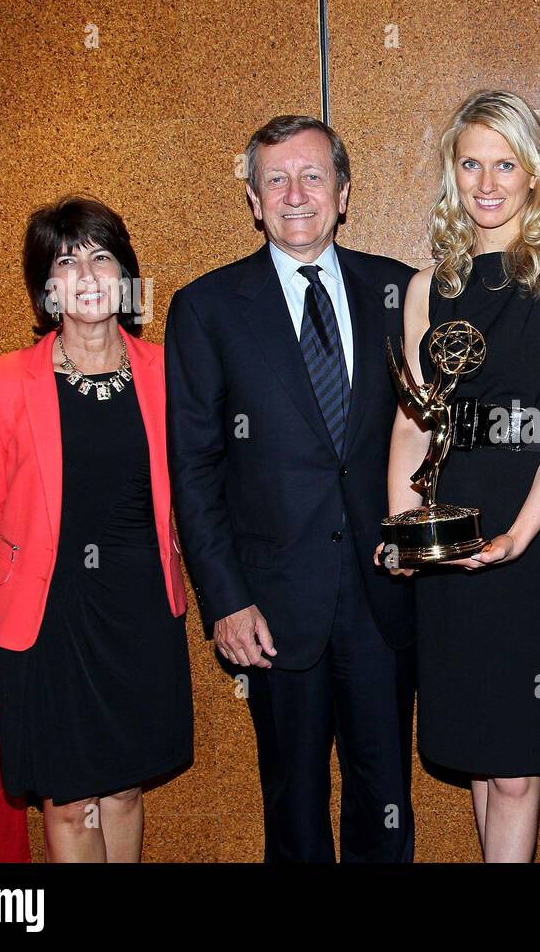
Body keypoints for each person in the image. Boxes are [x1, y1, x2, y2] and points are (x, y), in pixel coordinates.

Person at [166, 116, 416, 863]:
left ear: (344, 192)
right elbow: (194, 467)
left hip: (383, 595)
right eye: (275, 179)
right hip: (271, 606)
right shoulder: (206, 308)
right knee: (293, 798)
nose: (295, 194)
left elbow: (432, 437)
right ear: (251, 198)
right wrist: (226, 600)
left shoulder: (401, 291)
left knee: (387, 797)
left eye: (313, 176)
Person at [380, 89, 540, 862]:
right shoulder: (425, 288)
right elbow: (412, 421)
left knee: (513, 769)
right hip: (448, 524)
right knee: (478, 753)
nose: (486, 181)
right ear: (451, 173)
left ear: (534, 171)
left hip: (530, 524)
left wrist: (517, 535)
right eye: (471, 162)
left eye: (504, 163)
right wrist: (403, 534)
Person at [0, 196, 191, 862]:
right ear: (45, 288)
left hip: (140, 608)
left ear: (126, 275)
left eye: (101, 257)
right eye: (65, 261)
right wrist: (15, 589)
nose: (86, 276)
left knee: (121, 793)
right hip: (50, 617)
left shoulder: (167, 371)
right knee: (68, 802)